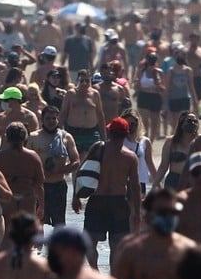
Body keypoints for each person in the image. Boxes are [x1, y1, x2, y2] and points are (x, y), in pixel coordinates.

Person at [73, 117, 141, 265]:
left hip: (98, 201)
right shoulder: (131, 157)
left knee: (90, 243)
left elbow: (80, 172)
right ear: (126, 134)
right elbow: (135, 188)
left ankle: (94, 271)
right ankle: (113, 277)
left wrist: (75, 196)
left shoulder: (98, 147)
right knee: (116, 247)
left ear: (109, 132)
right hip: (119, 203)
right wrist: (137, 212)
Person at [27, 106, 79, 227]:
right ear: (42, 120)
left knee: (59, 224)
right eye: (48, 118)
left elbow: (76, 162)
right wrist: (40, 172)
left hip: (58, 186)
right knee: (37, 223)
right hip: (39, 186)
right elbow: (25, 161)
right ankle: (37, 246)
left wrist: (58, 170)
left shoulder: (66, 137)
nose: (51, 121)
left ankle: (58, 246)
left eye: (54, 118)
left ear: (58, 120)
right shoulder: (33, 137)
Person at [59, 70, 105, 155]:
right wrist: (58, 131)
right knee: (74, 157)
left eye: (87, 81)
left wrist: (104, 136)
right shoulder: (71, 94)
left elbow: (100, 115)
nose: (84, 83)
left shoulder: (95, 94)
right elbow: (63, 113)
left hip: (91, 132)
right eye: (81, 81)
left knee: (91, 158)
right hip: (74, 131)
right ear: (77, 81)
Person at [155, 111, 198, 189]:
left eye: (195, 121)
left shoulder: (200, 141)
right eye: (189, 121)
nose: (192, 123)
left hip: (193, 181)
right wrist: (154, 185)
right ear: (181, 123)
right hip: (174, 180)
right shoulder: (171, 141)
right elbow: (163, 166)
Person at [121, 109, 156, 195]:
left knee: (138, 206)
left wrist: (158, 182)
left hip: (140, 181)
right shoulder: (120, 140)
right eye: (128, 124)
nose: (131, 126)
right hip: (122, 181)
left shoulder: (145, 142)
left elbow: (150, 163)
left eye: (133, 124)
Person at [163, 50, 198, 132]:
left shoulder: (188, 70)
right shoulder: (171, 71)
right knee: (175, 122)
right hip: (174, 98)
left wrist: (195, 101)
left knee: (185, 120)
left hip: (185, 98)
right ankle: (175, 137)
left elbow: (191, 87)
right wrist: (165, 102)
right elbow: (167, 87)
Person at [135, 53, 165, 141]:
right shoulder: (141, 71)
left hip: (155, 98)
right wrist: (147, 89)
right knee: (144, 121)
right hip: (144, 97)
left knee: (154, 122)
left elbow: (164, 87)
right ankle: (145, 138)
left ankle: (150, 141)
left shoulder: (159, 72)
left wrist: (157, 84)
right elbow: (137, 86)